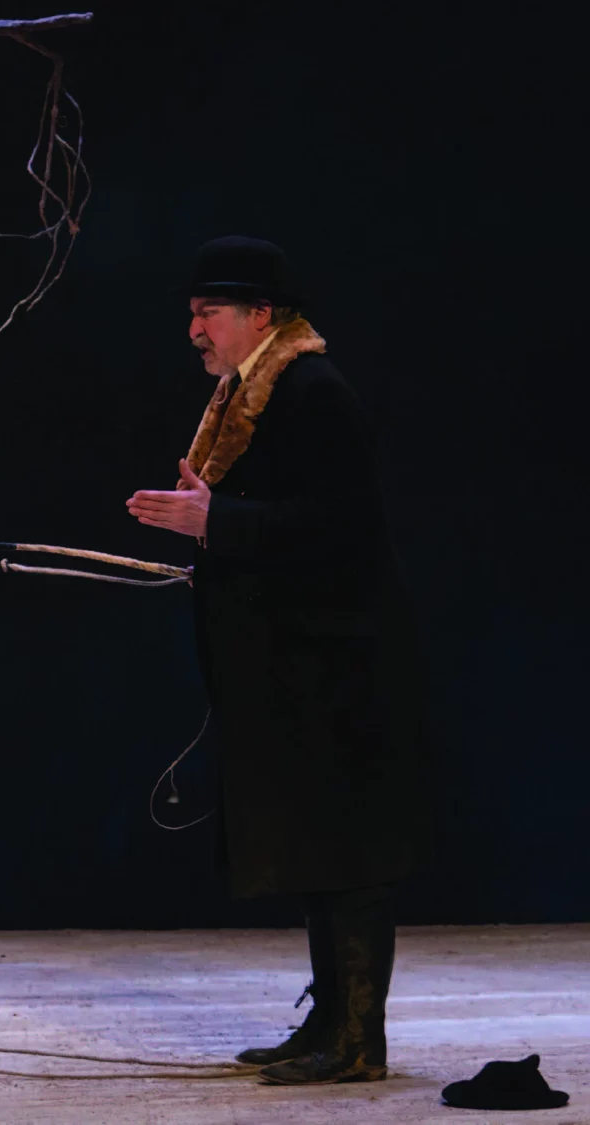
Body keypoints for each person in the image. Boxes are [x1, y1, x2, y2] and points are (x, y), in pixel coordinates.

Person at [126, 237, 427, 1085]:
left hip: (339, 666)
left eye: (209, 313)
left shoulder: (311, 391)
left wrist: (215, 522)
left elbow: (344, 526)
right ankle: (330, 1022)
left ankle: (358, 1039)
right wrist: (213, 521)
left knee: (348, 849)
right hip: (299, 666)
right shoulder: (254, 393)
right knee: (314, 846)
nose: (195, 330)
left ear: (262, 315)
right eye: (192, 313)